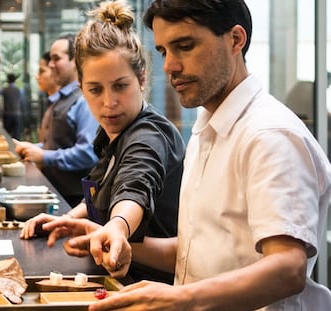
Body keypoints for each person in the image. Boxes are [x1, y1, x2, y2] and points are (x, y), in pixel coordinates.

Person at [48, 1, 331, 310]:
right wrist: (115, 240)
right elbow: (195, 251)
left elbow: (288, 270)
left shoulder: (270, 133)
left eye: (184, 46)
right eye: (163, 51)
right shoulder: (206, 130)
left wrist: (178, 298)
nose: (170, 66)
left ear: (236, 40)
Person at [20, 0, 185, 284]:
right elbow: (103, 190)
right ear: (81, 88)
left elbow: (136, 184)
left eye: (120, 86)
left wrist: (118, 226)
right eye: (95, 89)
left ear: (142, 79)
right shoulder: (112, 132)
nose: (109, 103)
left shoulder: (150, 134)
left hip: (152, 286)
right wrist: (64, 221)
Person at [14, 34, 99, 207]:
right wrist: (34, 149)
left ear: (75, 60)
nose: (50, 64)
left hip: (76, 200)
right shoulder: (61, 98)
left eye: (56, 59)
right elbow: (58, 143)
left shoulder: (83, 100)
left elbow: (88, 152)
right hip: (59, 193)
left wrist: (44, 156)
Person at [36, 51, 59, 142]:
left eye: (42, 71)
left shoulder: (76, 102)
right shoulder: (53, 101)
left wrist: (42, 154)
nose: (37, 77)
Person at [0, 73, 22, 140]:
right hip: (17, 114)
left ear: (8, 80)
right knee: (16, 135)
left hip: (7, 114)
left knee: (6, 135)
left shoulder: (5, 90)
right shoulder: (18, 90)